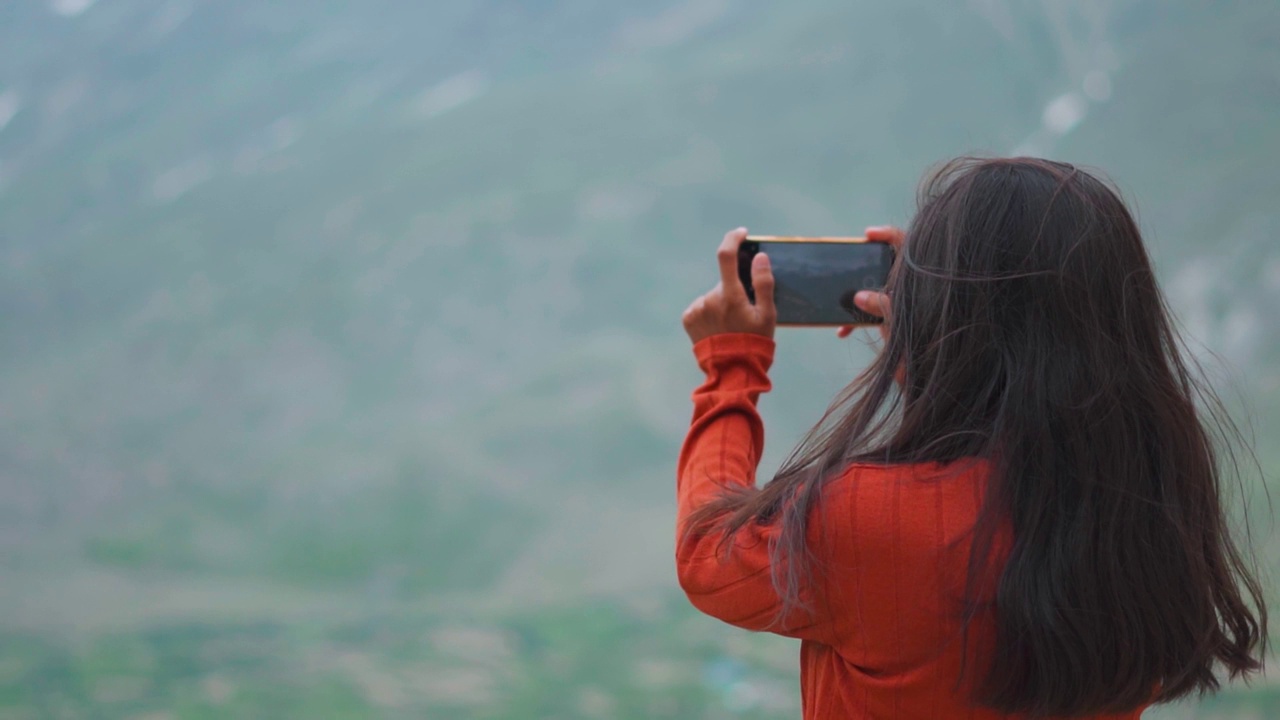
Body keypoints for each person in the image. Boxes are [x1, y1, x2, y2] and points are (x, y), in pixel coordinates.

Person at [675, 157, 1268, 719]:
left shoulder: (866, 520)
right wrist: (935, 335)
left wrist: (732, 366)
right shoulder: (1150, 504)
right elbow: (1003, 444)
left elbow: (706, 552)